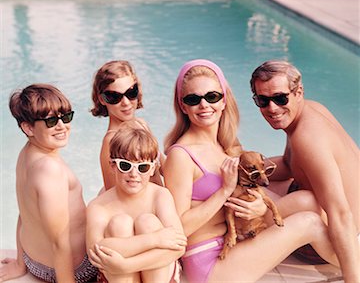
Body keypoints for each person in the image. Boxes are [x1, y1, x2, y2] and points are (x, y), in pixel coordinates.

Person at [163, 59, 339, 283]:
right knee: (309, 223)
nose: (204, 105)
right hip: (210, 262)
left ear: (224, 99)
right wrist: (224, 192)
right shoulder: (181, 156)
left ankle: (337, 252)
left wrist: (258, 205)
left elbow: (254, 180)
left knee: (306, 198)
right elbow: (178, 229)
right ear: (183, 105)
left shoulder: (223, 145)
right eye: (193, 99)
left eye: (212, 96)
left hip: (236, 241)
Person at [250, 60, 360, 282]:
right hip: (345, 223)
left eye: (281, 98)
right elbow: (290, 165)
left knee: (246, 201)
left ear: (298, 92)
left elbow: (340, 213)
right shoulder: (312, 110)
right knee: (249, 181)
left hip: (332, 245)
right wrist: (243, 169)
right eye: (263, 100)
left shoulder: (308, 138)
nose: (272, 108)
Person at [0, 84, 98, 283]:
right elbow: (59, 241)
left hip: (33, 261)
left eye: (66, 117)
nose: (62, 126)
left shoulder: (27, 153)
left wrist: (21, 263)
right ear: (28, 128)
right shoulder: (50, 170)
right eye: (51, 121)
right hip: (73, 269)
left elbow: (25, 212)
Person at [86, 119, 187, 283]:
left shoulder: (160, 195)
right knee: (120, 223)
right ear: (112, 166)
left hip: (158, 276)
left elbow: (179, 247)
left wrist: (126, 265)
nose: (134, 174)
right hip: (117, 277)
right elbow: (95, 251)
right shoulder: (98, 206)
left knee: (148, 222)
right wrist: (155, 239)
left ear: (153, 168)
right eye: (125, 166)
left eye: (143, 167)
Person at [91, 60, 162, 189]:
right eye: (114, 97)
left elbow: (163, 168)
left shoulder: (142, 125)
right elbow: (113, 194)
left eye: (131, 93)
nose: (126, 102)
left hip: (160, 203)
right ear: (102, 99)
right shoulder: (111, 140)